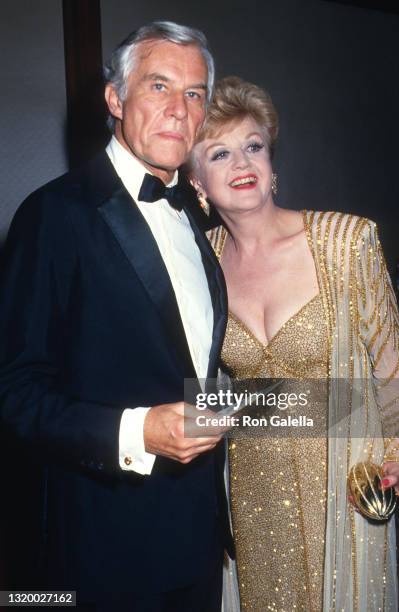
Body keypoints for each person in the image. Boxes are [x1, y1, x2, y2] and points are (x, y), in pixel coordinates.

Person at [0, 21, 233, 612]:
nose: (180, 110)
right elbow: (14, 392)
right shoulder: (53, 213)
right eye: (159, 86)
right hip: (99, 553)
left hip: (198, 544)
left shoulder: (199, 219)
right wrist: (136, 433)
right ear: (115, 99)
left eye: (195, 93)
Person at [189, 76, 399, 611]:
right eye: (219, 153)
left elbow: (392, 364)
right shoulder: (196, 261)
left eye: (254, 146)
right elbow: (202, 387)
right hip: (250, 485)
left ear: (272, 164)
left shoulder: (345, 242)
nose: (242, 163)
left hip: (343, 478)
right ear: (196, 181)